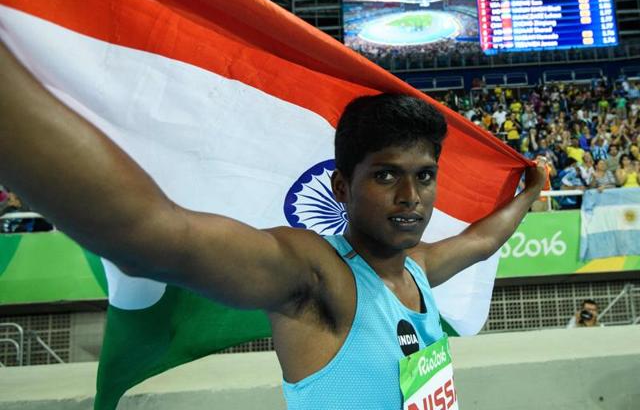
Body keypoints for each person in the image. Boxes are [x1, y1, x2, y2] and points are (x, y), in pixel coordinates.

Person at [0, 41, 546, 408]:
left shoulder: (418, 271)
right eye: (386, 176)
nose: (411, 198)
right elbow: (156, 235)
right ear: (341, 187)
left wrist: (532, 191)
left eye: (424, 177)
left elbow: (480, 239)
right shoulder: (316, 277)